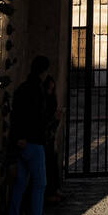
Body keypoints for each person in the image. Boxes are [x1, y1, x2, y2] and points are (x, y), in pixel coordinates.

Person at [6, 56, 57, 215]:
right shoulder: (39, 90)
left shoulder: (22, 88)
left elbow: (16, 114)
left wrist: (18, 137)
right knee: (39, 185)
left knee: (19, 185)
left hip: (20, 143)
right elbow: (39, 117)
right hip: (34, 143)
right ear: (43, 72)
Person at [43, 74, 63, 203]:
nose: (51, 90)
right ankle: (50, 193)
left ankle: (54, 190)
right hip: (44, 137)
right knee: (49, 166)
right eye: (49, 88)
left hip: (50, 136)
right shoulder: (43, 99)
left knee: (53, 163)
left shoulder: (51, 98)